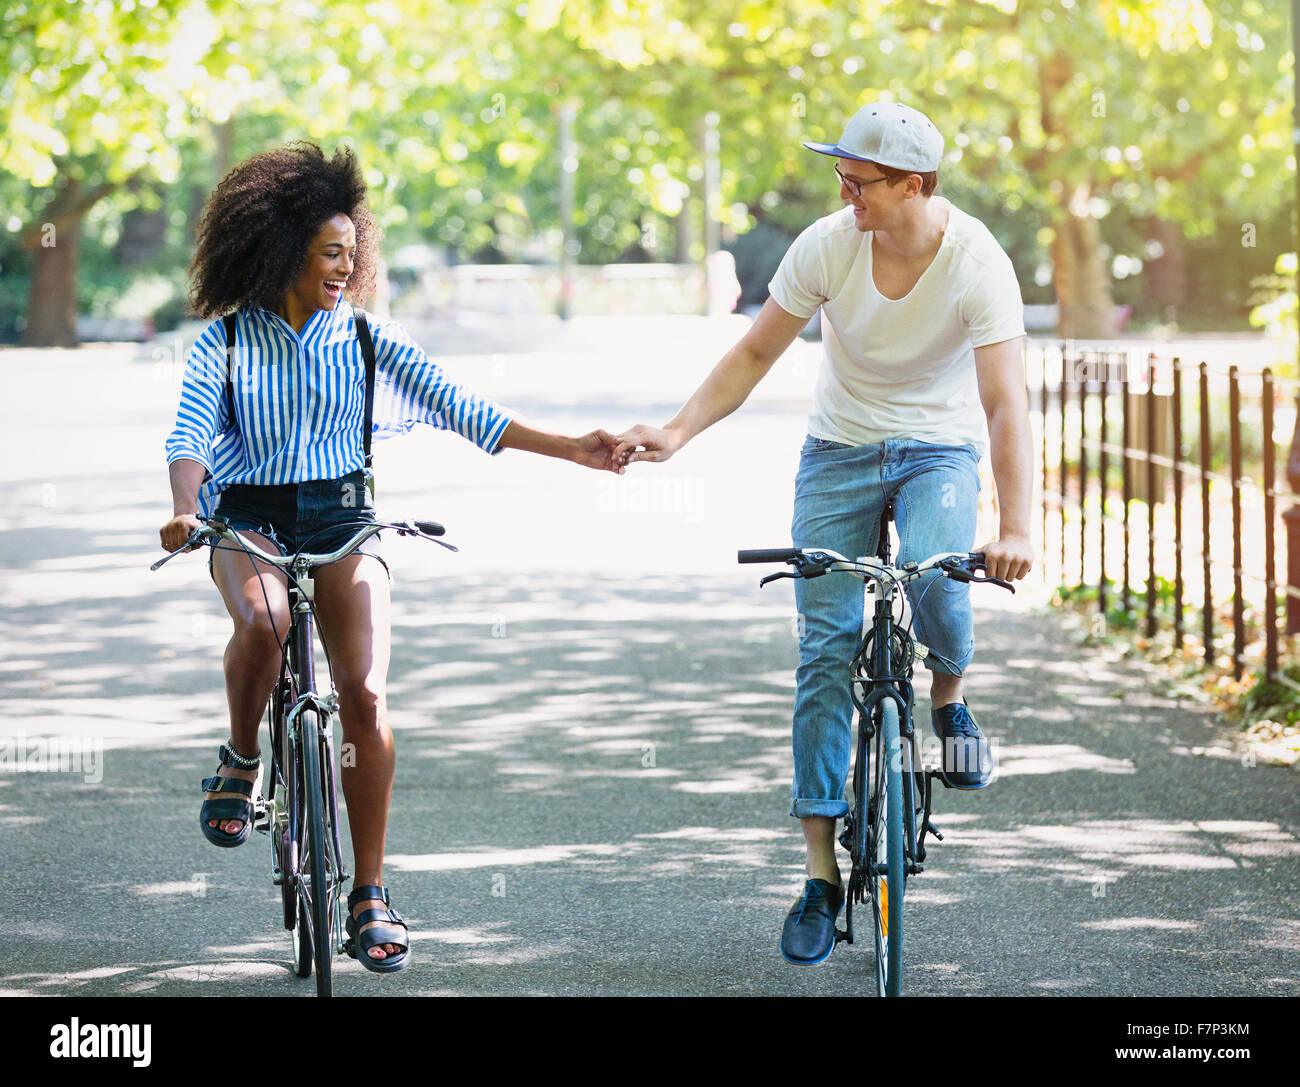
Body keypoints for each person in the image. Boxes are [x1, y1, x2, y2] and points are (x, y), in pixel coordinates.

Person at [160, 141, 620, 973]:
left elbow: (458, 406)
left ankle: (367, 890)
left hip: (343, 516)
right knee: (262, 623)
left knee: (364, 692)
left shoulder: (368, 337)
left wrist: (572, 448)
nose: (346, 264)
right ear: (282, 246)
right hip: (248, 519)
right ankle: (241, 757)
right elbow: (190, 430)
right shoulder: (224, 341)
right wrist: (186, 508)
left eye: (351, 250)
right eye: (330, 251)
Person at [612, 101, 1034, 966]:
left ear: (912, 185)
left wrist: (1018, 524)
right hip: (838, 449)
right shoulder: (828, 245)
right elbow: (755, 353)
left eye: (860, 180)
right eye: (840, 176)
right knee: (826, 646)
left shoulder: (976, 262)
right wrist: (677, 430)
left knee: (936, 577)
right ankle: (819, 874)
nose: (845, 193)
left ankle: (949, 702)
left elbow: (1004, 402)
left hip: (938, 451)